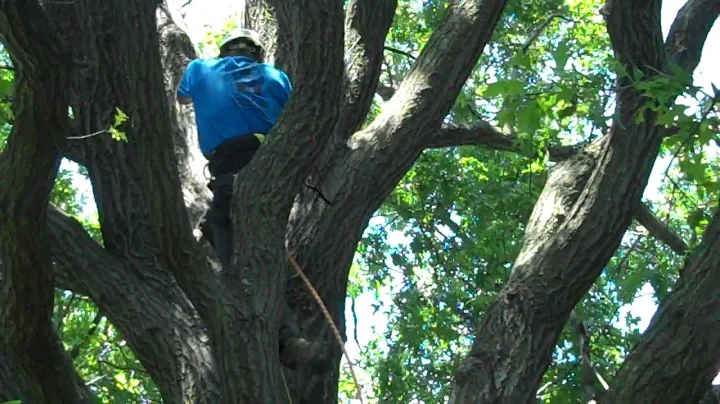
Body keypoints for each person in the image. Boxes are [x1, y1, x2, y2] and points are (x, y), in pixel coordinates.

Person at [176, 28, 331, 372]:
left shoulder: (201, 69)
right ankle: (282, 330)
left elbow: (183, 98)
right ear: (257, 54)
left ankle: (284, 337)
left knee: (221, 228)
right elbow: (298, 116)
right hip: (273, 160)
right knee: (226, 224)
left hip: (231, 162)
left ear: (225, 51)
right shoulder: (277, 76)